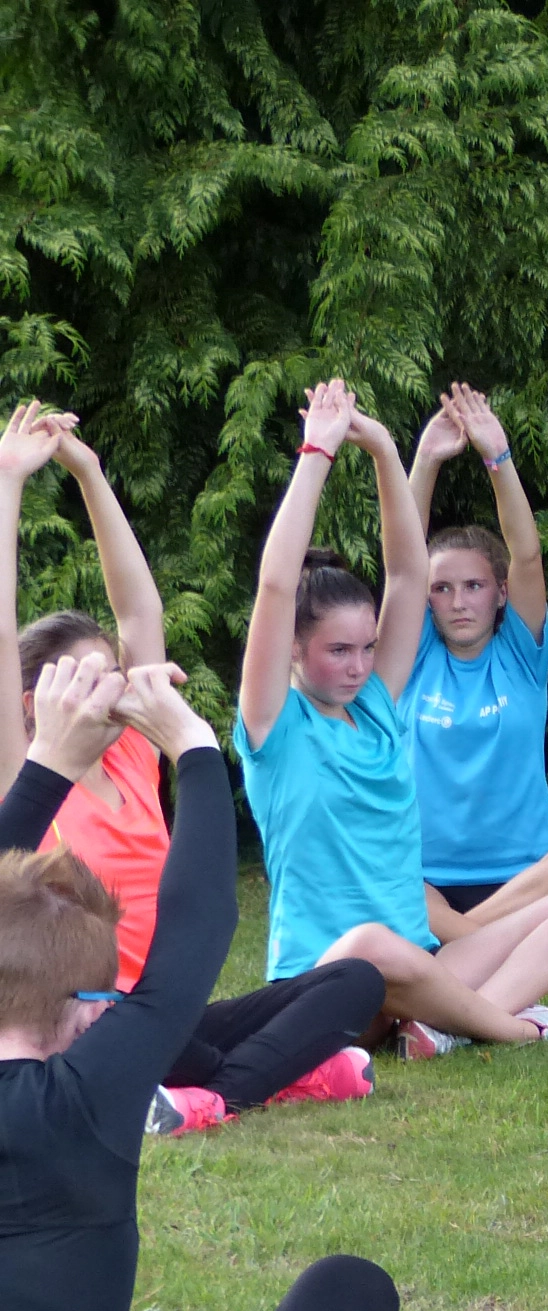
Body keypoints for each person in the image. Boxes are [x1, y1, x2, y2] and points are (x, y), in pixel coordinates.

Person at [0, 654, 421, 1311]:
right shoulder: (85, 1095)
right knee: (352, 1291)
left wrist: (49, 763)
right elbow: (198, 924)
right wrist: (190, 744)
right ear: (85, 1009)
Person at [0, 404, 381, 1137]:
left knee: (356, 981)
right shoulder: (27, 773)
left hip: (167, 1004)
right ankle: (242, 1089)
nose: (116, 686)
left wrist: (88, 471)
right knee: (200, 1046)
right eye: (90, 679)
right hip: (90, 1017)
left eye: (114, 671)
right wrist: (11, 482)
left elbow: (139, 611)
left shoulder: (134, 749)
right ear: (32, 700)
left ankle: (220, 1088)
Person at [234, 380, 548, 1059]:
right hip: (333, 983)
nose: (361, 666)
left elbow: (403, 574)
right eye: (339, 652)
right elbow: (276, 586)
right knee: (374, 948)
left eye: (368, 648)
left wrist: (392, 450)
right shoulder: (276, 729)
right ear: (294, 652)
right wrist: (316, 453)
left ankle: (438, 1027)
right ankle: (525, 1024)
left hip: (420, 967)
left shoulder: (380, 713)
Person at [403, 383, 548, 936]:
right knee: (379, 874)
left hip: (521, 876)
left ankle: (463, 937)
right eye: (442, 588)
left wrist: (498, 458)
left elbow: (526, 552)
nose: (457, 601)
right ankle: (488, 941)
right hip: (425, 874)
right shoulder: (411, 654)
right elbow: (402, 562)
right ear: (425, 598)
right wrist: (426, 459)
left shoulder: (520, 655)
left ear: (500, 593)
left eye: (473, 585)